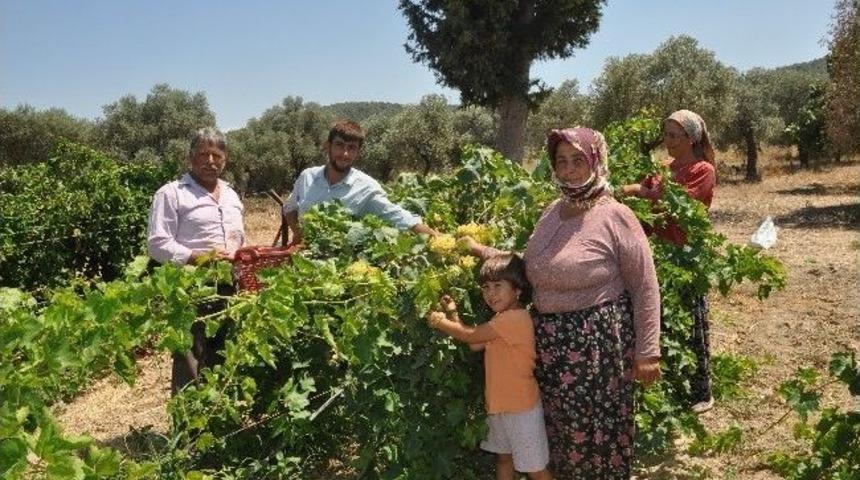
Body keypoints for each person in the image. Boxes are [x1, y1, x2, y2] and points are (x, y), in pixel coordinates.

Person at [462, 127, 661, 479]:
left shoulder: (616, 215)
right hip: (552, 348)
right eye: (561, 162)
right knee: (558, 432)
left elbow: (644, 286)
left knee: (596, 432)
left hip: (596, 350)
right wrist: (484, 251)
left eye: (578, 161)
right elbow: (532, 265)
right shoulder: (554, 211)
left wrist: (647, 352)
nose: (568, 170)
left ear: (595, 161)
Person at [618, 109, 716, 413]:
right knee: (662, 323)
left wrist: (639, 192)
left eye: (673, 135)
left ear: (691, 138)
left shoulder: (703, 170)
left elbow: (680, 207)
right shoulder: (664, 166)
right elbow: (648, 196)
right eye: (666, 134)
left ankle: (702, 393)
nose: (667, 141)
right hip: (657, 254)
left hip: (684, 257)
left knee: (689, 324)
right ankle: (669, 388)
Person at [427, 254, 552, 480]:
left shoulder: (514, 319)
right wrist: (453, 313)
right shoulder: (500, 320)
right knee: (503, 458)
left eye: (497, 286)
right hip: (499, 407)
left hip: (521, 410)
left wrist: (439, 321)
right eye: (485, 287)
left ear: (518, 290)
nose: (490, 293)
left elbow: (467, 335)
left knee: (535, 470)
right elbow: (475, 344)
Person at [147, 127, 245, 395]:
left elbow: (238, 237)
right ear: (191, 157)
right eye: (203, 154)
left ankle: (217, 423)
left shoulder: (231, 195)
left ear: (225, 159)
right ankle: (188, 430)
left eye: (216, 155)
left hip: (229, 286)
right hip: (190, 288)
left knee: (223, 355)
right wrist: (198, 258)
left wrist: (237, 255)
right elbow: (157, 244)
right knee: (190, 357)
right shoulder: (171, 194)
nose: (210, 161)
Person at [282, 119, 438, 244]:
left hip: (336, 269)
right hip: (301, 263)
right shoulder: (307, 177)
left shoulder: (366, 187)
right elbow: (289, 207)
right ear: (328, 146)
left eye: (351, 148)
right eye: (339, 145)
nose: (344, 154)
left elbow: (398, 216)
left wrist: (438, 238)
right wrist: (298, 234)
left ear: (358, 152)